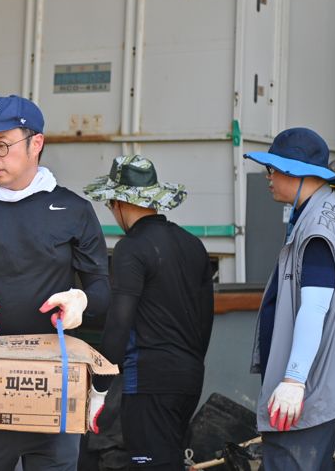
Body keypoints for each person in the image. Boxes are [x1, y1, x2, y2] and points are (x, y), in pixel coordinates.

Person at [0, 94, 111, 470]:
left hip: (51, 385)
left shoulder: (74, 210)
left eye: (2, 145)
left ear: (36, 143)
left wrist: (80, 301)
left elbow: (102, 290)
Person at [84, 154, 214, 470]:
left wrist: (99, 386)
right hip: (189, 377)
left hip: (148, 381)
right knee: (168, 460)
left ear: (117, 202)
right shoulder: (193, 244)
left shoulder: (131, 248)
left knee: (149, 464)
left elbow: (119, 321)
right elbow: (205, 319)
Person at [243, 127, 335, 470]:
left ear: (296, 171)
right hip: (316, 388)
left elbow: (315, 307)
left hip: (305, 395)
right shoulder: (323, 214)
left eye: (272, 169)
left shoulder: (318, 228)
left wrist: (293, 380)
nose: (268, 177)